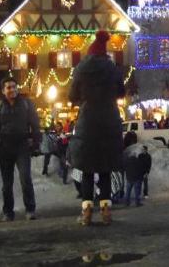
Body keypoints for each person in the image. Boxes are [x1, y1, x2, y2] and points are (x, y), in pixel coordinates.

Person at [67, 30, 125, 226]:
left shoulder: (81, 69)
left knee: (87, 169)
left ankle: (87, 212)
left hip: (88, 123)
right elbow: (121, 92)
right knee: (106, 168)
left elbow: (72, 96)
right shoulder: (113, 68)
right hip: (109, 121)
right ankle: (106, 211)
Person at [0, 76, 40, 221]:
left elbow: (35, 124)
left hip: (22, 147)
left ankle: (30, 210)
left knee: (26, 179)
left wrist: (36, 144)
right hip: (5, 149)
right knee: (7, 184)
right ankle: (8, 212)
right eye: (9, 87)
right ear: (3, 91)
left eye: (14, 87)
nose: (12, 90)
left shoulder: (26, 104)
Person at [123, 142, 150, 206]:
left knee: (128, 192)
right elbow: (142, 169)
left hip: (129, 178)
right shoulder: (138, 161)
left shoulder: (127, 161)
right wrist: (144, 174)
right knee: (137, 192)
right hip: (137, 179)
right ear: (135, 155)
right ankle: (137, 203)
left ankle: (127, 202)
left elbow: (124, 169)